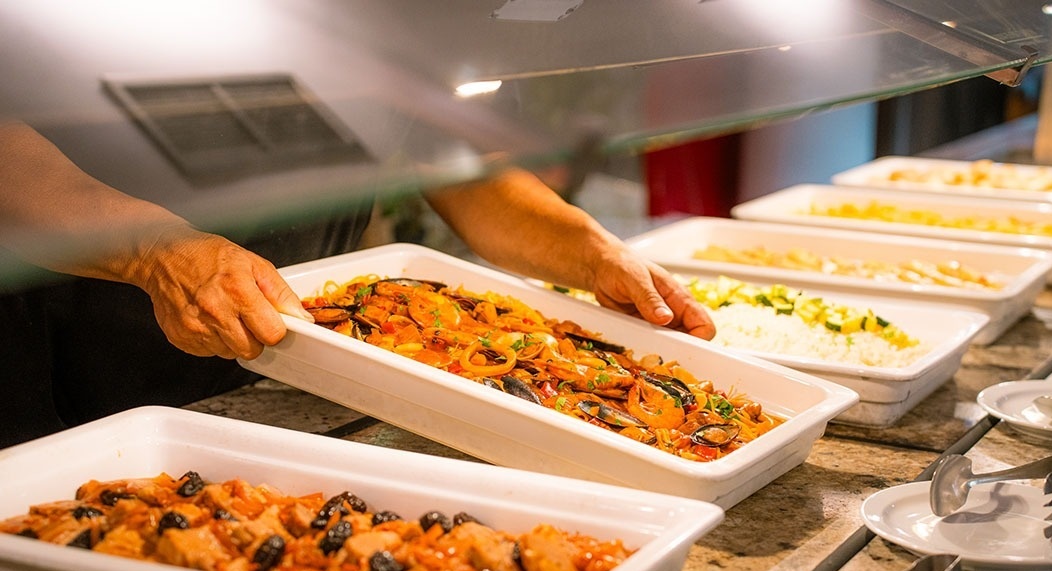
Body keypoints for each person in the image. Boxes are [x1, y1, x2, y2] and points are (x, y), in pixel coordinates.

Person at [0, 121, 715, 447]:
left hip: (311, 347)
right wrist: (156, 252)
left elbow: (448, 152)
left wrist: (588, 250)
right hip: (71, 317)